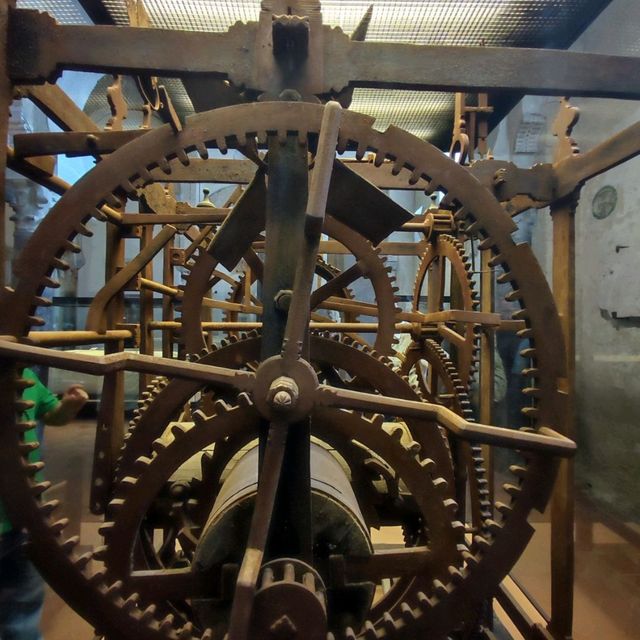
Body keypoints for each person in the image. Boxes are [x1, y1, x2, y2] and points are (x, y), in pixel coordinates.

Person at [0, 368, 88, 640]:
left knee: (24, 608)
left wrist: (70, 406)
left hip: (27, 518)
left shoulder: (25, 374)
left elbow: (52, 414)